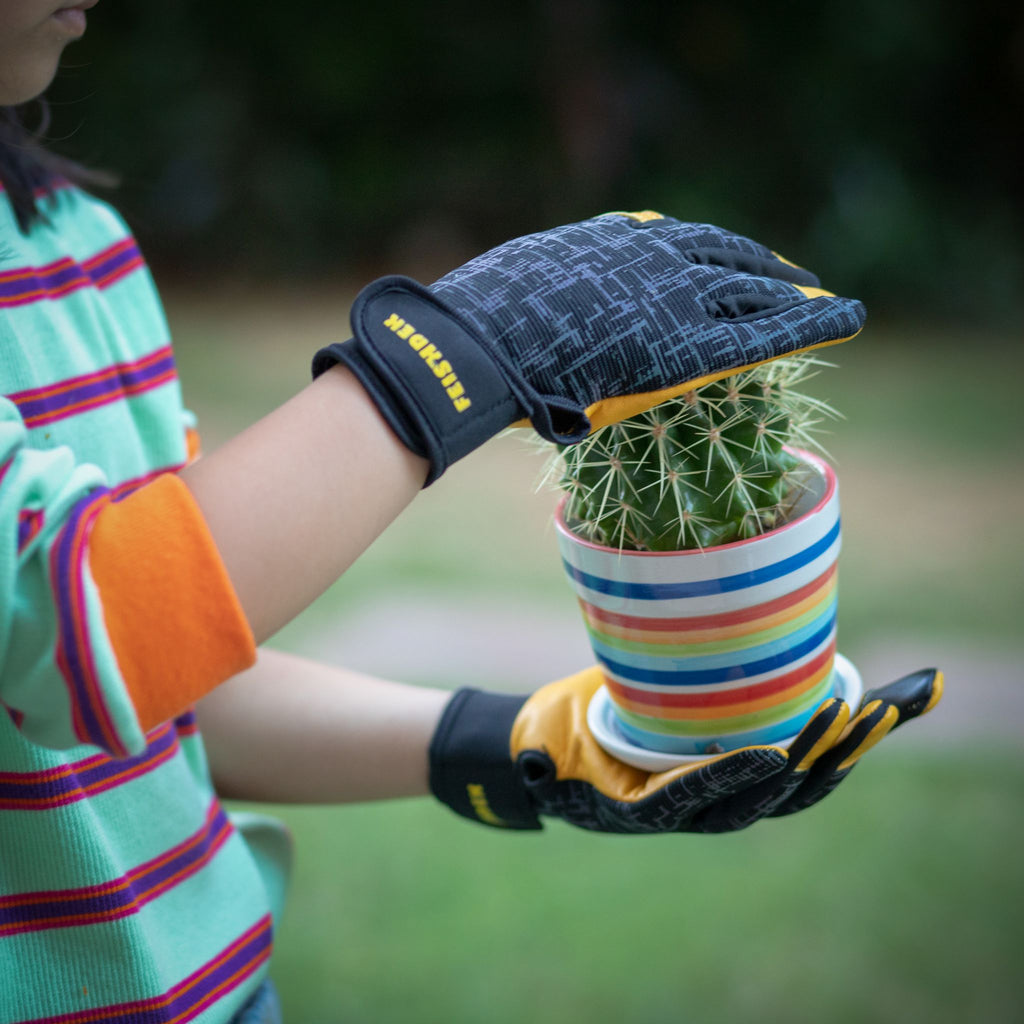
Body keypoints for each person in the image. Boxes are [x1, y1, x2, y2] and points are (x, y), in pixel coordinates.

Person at [0, 4, 943, 1022]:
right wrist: (460, 352)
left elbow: (156, 689)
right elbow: (72, 626)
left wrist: (529, 747)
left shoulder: (75, 246)